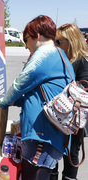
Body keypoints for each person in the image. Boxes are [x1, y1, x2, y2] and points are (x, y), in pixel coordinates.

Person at [0, 15, 75, 180]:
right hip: (51, 137)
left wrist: (3, 103)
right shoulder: (60, 55)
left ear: (37, 36)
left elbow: (19, 85)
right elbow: (41, 92)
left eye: (26, 40)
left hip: (42, 137)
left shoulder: (44, 55)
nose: (26, 46)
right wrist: (15, 102)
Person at [50, 23, 88, 180]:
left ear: (71, 41)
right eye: (55, 41)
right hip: (61, 115)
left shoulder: (81, 61)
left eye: (60, 41)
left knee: (71, 155)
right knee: (53, 153)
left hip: (74, 118)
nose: (56, 45)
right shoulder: (62, 59)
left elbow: (85, 85)